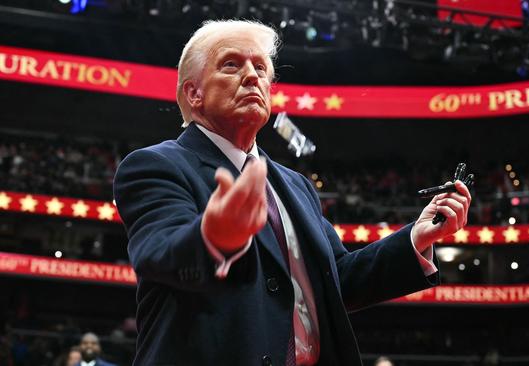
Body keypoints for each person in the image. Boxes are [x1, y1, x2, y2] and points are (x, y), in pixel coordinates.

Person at [113, 19, 472, 366]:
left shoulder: (295, 185)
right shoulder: (154, 165)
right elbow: (160, 255)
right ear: (194, 93)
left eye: (261, 68)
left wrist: (415, 238)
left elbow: (336, 281)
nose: (253, 76)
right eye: (232, 64)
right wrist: (214, 239)